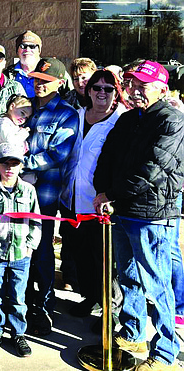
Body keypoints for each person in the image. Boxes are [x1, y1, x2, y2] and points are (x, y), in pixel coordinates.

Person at [93, 60, 184, 371]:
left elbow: (154, 169)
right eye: (130, 84)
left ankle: (165, 353)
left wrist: (113, 195)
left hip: (153, 216)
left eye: (142, 86)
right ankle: (132, 331)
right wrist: (101, 190)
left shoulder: (171, 120)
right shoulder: (129, 118)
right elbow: (107, 157)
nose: (134, 91)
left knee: (157, 285)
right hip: (123, 211)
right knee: (127, 275)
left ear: (161, 88)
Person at [59, 69, 126, 325]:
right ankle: (91, 297)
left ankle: (112, 311)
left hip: (100, 205)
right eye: (96, 87)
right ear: (87, 91)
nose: (101, 93)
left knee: (105, 261)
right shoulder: (75, 116)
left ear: (115, 93)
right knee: (81, 255)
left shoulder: (120, 121)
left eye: (108, 89)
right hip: (70, 200)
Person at [23, 57, 79, 336]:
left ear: (59, 83)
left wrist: (21, 163)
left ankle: (43, 307)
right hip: (16, 195)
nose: (39, 85)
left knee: (43, 252)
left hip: (44, 195)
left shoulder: (67, 114)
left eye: (45, 81)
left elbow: (58, 153)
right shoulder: (24, 108)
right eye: (36, 79)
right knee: (20, 251)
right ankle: (20, 303)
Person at [0, 142, 42, 357]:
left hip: (21, 253)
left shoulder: (29, 190)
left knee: (18, 295)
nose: (9, 168)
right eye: (4, 163)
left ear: (21, 166)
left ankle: (18, 334)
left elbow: (37, 220)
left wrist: (30, 246)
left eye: (14, 163)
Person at [5, 31, 42, 98]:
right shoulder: (7, 74)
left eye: (32, 46)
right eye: (23, 46)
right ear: (17, 50)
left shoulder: (52, 72)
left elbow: (67, 96)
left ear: (39, 51)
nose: (27, 49)